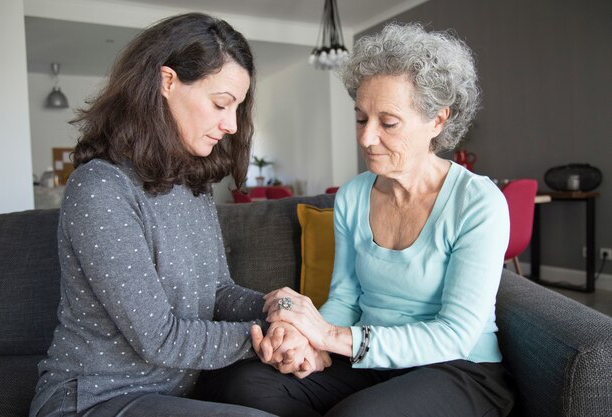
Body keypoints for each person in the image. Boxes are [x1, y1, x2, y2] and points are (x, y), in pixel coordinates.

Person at [198, 22, 516, 417]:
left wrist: (330, 337)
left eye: (388, 122)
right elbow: (346, 298)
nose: (366, 138)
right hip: (370, 362)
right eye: (361, 118)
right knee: (241, 384)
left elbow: (455, 334)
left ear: (437, 120)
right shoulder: (353, 196)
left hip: (458, 368)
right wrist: (308, 348)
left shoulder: (477, 202)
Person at [29, 12, 322, 417]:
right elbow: (160, 338)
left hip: (174, 390)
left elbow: (218, 293)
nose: (232, 125)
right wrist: (266, 336)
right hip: (95, 398)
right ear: (167, 82)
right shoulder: (100, 188)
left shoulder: (191, 185)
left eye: (237, 107)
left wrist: (278, 309)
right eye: (221, 104)